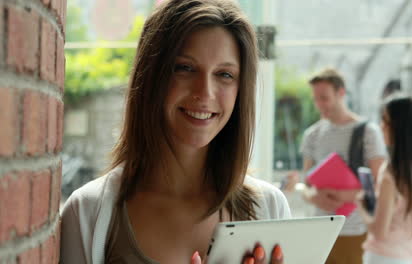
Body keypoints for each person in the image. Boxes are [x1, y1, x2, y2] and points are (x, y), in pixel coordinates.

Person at [60, 1, 291, 263]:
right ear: (151, 77)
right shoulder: (87, 211)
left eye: (225, 74)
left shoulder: (270, 207)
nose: (205, 92)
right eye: (185, 68)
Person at [284, 68, 387, 264]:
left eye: (324, 97)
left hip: (355, 232)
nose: (319, 104)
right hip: (320, 231)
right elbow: (307, 185)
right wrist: (313, 196)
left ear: (341, 93)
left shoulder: (368, 133)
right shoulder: (312, 135)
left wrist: (346, 196)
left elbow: (379, 186)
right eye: (316, 99)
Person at [357, 95, 412, 264]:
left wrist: (361, 207)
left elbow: (379, 232)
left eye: (385, 121)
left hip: (382, 257)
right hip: (407, 257)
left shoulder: (391, 173)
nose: (381, 126)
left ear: (399, 127)